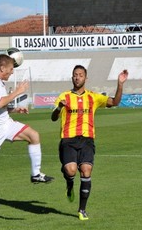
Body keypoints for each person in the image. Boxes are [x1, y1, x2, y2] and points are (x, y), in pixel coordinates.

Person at [51, 65, 128, 220]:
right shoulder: (64, 96)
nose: (77, 77)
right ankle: (69, 182)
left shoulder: (93, 97)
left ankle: (82, 210)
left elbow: (115, 102)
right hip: (68, 140)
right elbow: (53, 118)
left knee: (86, 170)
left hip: (87, 140)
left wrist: (120, 84)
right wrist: (59, 108)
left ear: (86, 78)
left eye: (80, 75)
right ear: (72, 78)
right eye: (75, 75)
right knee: (71, 171)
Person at [0, 54, 54, 184]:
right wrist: (18, 91)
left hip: (6, 124)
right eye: (10, 69)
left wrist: (15, 110)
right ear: (2, 68)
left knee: (34, 136)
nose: (12, 72)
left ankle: (35, 174)